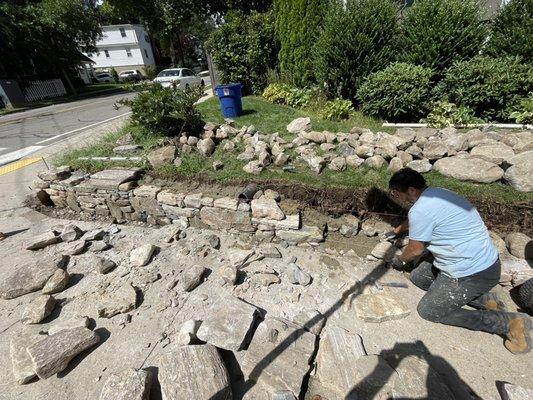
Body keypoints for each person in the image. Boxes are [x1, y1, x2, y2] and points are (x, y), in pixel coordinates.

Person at [386, 168, 530, 354]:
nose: (397, 197)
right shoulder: (439, 193)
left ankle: (508, 323)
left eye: (397, 193)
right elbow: (419, 218)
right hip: (486, 263)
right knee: (419, 277)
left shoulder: (420, 210)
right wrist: (398, 230)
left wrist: (400, 261)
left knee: (429, 311)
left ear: (412, 190)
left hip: (472, 272)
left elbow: (415, 250)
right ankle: (486, 300)